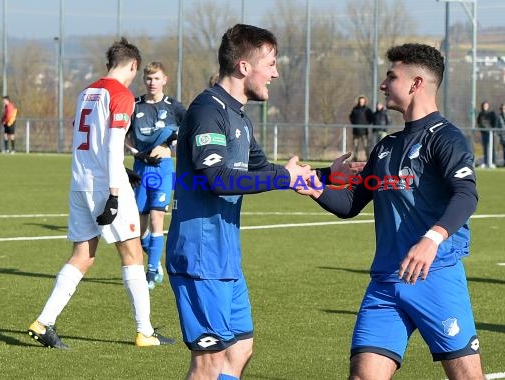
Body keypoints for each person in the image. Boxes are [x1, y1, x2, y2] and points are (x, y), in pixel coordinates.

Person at [165, 24, 362, 380]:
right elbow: (216, 179)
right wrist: (283, 178)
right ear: (244, 67)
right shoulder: (207, 111)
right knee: (208, 360)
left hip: (225, 259)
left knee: (240, 349)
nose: (275, 73)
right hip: (200, 257)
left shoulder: (238, 117)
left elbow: (265, 169)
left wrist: (327, 174)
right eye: (270, 64)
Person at [298, 43, 484, 379]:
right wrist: (316, 189)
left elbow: (466, 195)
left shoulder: (446, 139)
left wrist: (431, 239)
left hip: (435, 276)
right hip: (385, 282)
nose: (383, 85)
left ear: (416, 84)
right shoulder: (385, 146)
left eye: (391, 77)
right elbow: (351, 203)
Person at [27, 38, 174, 349]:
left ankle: (43, 322)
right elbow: (110, 145)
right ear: (133, 65)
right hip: (105, 185)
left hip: (79, 182)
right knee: (133, 254)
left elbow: (85, 133)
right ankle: (144, 331)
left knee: (83, 256)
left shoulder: (86, 92)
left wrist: (122, 170)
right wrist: (114, 190)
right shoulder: (121, 94)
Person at [126, 61, 187, 290]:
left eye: (157, 78)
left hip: (162, 169)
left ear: (165, 80)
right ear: (144, 80)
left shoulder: (174, 106)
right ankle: (154, 257)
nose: (153, 83)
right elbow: (122, 132)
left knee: (156, 219)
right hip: (140, 169)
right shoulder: (134, 105)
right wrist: (134, 151)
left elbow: (191, 127)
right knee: (139, 230)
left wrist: (169, 145)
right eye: (149, 79)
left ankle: (151, 271)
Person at [349, 96, 374, 161]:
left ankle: (368, 159)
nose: (361, 102)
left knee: (366, 146)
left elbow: (372, 118)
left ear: (365, 102)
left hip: (364, 132)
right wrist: (354, 123)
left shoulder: (367, 109)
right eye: (360, 101)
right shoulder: (355, 109)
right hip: (356, 131)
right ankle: (355, 158)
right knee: (355, 146)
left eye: (362, 101)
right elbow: (351, 117)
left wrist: (367, 124)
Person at [476, 100, 496, 168]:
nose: (485, 107)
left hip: (491, 133)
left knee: (492, 148)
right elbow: (479, 122)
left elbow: (494, 122)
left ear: (488, 106)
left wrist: (491, 130)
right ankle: (485, 162)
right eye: (484, 105)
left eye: (486, 105)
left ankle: (492, 162)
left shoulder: (491, 113)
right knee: (485, 148)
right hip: (484, 133)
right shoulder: (480, 114)